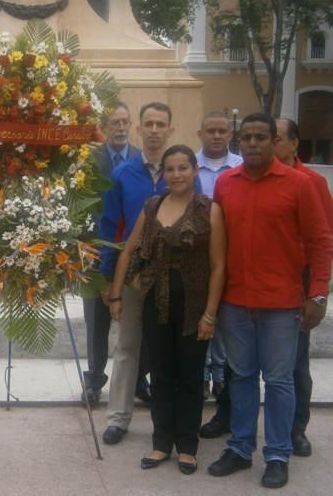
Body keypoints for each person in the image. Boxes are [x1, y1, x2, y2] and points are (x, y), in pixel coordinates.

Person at [208, 113, 333, 489]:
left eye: (261, 137)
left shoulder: (300, 184)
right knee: (242, 377)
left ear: (274, 141)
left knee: (279, 381)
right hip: (236, 302)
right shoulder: (225, 184)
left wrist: (319, 293)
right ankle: (241, 448)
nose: (252, 143)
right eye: (245, 137)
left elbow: (320, 242)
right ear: (238, 142)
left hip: (282, 303)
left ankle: (277, 454)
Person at [108, 144, 226, 474]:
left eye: (183, 168)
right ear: (163, 175)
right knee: (160, 376)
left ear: (195, 171)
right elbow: (129, 251)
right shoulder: (152, 205)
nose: (176, 174)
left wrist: (210, 314)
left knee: (189, 378)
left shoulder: (209, 209)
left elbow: (218, 266)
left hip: (194, 309)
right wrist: (116, 295)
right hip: (153, 305)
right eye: (169, 169)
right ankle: (161, 444)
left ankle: (187, 447)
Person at [98, 102, 201, 445]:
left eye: (161, 124)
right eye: (148, 124)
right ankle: (117, 418)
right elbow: (111, 227)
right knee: (127, 346)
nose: (154, 130)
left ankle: (169, 421)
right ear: (139, 130)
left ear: (171, 130)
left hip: (175, 277)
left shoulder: (182, 173)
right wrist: (109, 278)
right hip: (134, 274)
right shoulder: (123, 173)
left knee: (167, 349)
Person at [83, 101, 146, 404]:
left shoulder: (140, 159)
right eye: (114, 122)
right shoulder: (86, 160)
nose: (121, 127)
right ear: (103, 127)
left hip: (135, 257)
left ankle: (140, 380)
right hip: (95, 255)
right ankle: (94, 379)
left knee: (138, 320)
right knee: (97, 321)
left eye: (126, 121)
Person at [195, 112, 243, 400]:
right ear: (200, 134)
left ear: (230, 135)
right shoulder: (189, 165)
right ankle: (201, 377)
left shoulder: (241, 167)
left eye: (221, 131)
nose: (216, 135)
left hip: (231, 254)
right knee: (201, 317)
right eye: (210, 130)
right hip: (196, 256)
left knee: (223, 318)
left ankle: (221, 377)